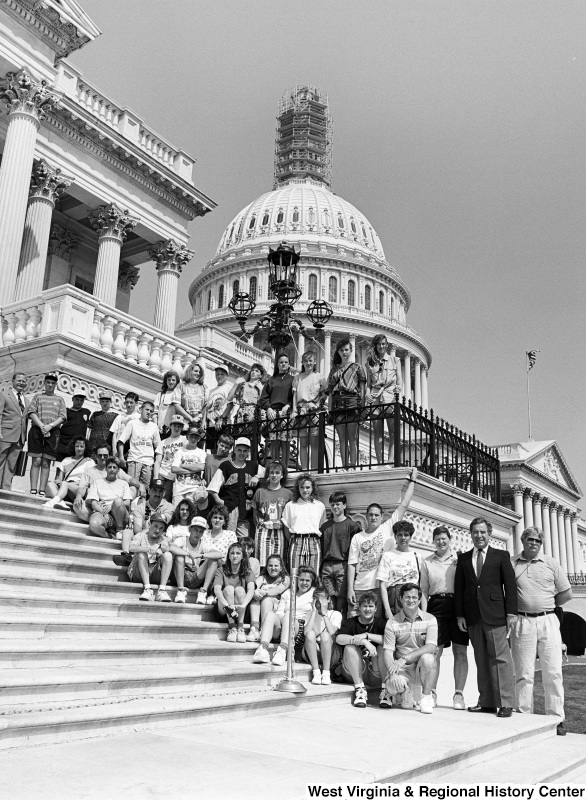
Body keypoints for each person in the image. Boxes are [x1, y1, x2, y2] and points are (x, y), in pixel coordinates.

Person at [510, 526, 573, 736]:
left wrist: (547, 603)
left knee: (553, 671)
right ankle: (523, 717)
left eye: (537, 540)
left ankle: (556, 718)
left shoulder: (551, 563)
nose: (533, 543)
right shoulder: (512, 563)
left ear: (541, 543)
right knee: (523, 673)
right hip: (522, 621)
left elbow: (566, 592)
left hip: (548, 620)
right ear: (523, 541)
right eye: (530, 540)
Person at [454, 517, 517, 718]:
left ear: (489, 534)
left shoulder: (501, 555)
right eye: (475, 532)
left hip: (495, 615)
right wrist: (460, 615)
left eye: (482, 532)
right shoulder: (463, 559)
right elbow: (459, 588)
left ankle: (505, 703)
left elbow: (510, 586)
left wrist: (511, 613)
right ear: (470, 534)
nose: (479, 536)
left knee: (500, 659)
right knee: (480, 659)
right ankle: (487, 702)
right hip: (472, 617)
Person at [346, 467, 418, 617]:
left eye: (376, 515)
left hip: (379, 588)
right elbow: (352, 564)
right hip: (359, 587)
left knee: (377, 627)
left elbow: (404, 505)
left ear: (381, 516)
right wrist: (350, 589)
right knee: (354, 623)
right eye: (371, 515)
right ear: (366, 516)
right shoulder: (357, 537)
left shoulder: (387, 528)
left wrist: (412, 480)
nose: (373, 518)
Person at [419, 525, 469, 710]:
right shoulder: (427, 562)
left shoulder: (459, 560)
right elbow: (423, 590)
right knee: (434, 652)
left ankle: (459, 695)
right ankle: (431, 692)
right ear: (433, 541)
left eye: (444, 539)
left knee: (460, 651)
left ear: (450, 540)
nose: (441, 542)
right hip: (436, 606)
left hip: (457, 606)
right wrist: (424, 615)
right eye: (437, 539)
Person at [383, 583, 438, 714]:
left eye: (414, 597)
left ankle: (425, 697)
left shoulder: (430, 619)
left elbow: (431, 647)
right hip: (402, 670)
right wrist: (393, 674)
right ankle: (406, 691)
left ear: (419, 600)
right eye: (407, 597)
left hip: (420, 668)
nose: (411, 600)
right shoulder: (392, 622)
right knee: (391, 687)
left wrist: (405, 658)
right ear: (400, 599)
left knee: (429, 658)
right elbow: (388, 652)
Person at [335, 591, 387, 708]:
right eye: (364, 606)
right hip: (355, 672)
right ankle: (360, 690)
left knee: (383, 648)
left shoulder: (380, 623)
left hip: (376, 672)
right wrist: (363, 642)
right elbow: (339, 638)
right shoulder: (351, 622)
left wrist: (367, 635)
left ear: (376, 608)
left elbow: (389, 640)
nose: (367, 609)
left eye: (370, 606)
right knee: (350, 647)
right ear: (359, 607)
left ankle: (385, 691)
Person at [72, 445, 141, 523]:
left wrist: (141, 486)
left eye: (105, 455)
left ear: (109, 456)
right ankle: (101, 519)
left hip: (114, 504)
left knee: (133, 489)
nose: (102, 457)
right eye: (100, 455)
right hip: (97, 504)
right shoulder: (89, 471)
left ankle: (110, 517)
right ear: (95, 457)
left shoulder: (114, 469)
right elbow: (82, 487)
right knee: (77, 506)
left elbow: (129, 479)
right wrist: (78, 496)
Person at [207, 436, 260, 537]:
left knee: (244, 539)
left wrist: (257, 476)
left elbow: (268, 472)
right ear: (234, 449)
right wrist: (219, 501)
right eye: (239, 450)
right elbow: (213, 487)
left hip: (246, 510)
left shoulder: (253, 466)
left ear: (248, 451)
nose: (242, 453)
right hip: (230, 509)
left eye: (245, 450)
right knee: (228, 536)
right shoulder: (226, 466)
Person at [115, 477, 175, 564]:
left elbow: (163, 521)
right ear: (149, 491)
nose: (157, 493)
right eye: (154, 490)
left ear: (164, 493)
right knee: (127, 532)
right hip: (143, 535)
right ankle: (126, 556)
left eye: (160, 491)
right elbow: (137, 527)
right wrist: (146, 533)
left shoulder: (169, 507)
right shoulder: (140, 507)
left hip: (159, 536)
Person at [320, 491, 361, 614]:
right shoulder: (325, 526)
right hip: (327, 565)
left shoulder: (352, 526)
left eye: (338, 504)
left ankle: (340, 629)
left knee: (342, 601)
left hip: (343, 565)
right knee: (329, 601)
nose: (335, 507)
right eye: (332, 505)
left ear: (344, 505)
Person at [327, 338, 366, 469]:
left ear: (351, 351)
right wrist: (329, 409)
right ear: (338, 352)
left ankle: (353, 465)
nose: (344, 352)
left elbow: (362, 389)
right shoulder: (334, 370)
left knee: (352, 438)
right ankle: (344, 465)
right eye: (341, 350)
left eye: (346, 350)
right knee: (342, 438)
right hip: (338, 403)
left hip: (352, 403)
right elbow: (330, 390)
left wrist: (362, 408)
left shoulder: (358, 367)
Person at [269, 566, 319, 667]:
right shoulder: (288, 593)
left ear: (312, 581)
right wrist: (284, 622)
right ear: (296, 580)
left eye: (307, 580)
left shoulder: (314, 593)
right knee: (271, 615)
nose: (304, 583)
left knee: (289, 614)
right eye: (301, 580)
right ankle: (263, 649)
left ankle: (282, 650)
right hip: (284, 623)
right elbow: (279, 613)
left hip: (300, 628)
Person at [27, 372, 67, 496]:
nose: (50, 385)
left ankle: (42, 489)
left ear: (55, 385)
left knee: (46, 462)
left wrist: (50, 426)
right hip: (37, 430)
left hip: (53, 431)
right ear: (44, 383)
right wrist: (42, 426)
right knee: (36, 460)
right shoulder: (38, 397)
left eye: (53, 383)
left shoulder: (59, 399)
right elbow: (31, 412)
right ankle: (33, 488)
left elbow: (63, 416)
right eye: (48, 382)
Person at [365, 334, 402, 465]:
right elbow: (369, 384)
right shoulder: (369, 362)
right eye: (379, 344)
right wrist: (367, 394)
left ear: (387, 345)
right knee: (377, 432)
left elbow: (399, 381)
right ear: (375, 345)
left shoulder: (395, 360)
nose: (382, 346)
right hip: (375, 399)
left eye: (384, 344)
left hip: (390, 397)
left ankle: (391, 461)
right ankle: (380, 463)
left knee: (393, 432)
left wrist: (398, 389)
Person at [281, 473, 327, 574]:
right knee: (295, 574)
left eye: (307, 487)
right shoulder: (291, 505)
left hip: (313, 541)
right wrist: (294, 540)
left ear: (312, 488)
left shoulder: (319, 506)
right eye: (302, 487)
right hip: (297, 541)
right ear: (298, 488)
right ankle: (294, 590)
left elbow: (322, 526)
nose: (305, 490)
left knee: (314, 574)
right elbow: (286, 527)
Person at [251, 460, 293, 566]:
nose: (274, 475)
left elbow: (289, 515)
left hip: (280, 531)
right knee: (262, 560)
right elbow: (255, 514)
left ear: (282, 475)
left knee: (279, 560)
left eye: (277, 473)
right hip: (263, 531)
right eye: (272, 472)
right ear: (268, 474)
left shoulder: (288, 494)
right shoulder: (260, 492)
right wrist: (260, 527)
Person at [377, 520, 421, 619]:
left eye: (406, 535)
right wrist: (387, 610)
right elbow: (382, 585)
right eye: (399, 535)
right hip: (395, 597)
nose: (403, 538)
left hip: (413, 597)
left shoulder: (417, 556)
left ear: (410, 537)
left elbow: (421, 583)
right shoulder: (388, 556)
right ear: (395, 537)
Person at [251, 554, 291, 662]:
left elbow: (278, 590)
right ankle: (255, 628)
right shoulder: (262, 578)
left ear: (281, 567)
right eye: (270, 565)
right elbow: (253, 586)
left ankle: (263, 630)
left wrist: (263, 591)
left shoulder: (285, 578)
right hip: (264, 613)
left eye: (276, 565)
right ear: (266, 567)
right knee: (256, 597)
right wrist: (255, 591)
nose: (273, 568)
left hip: (277, 619)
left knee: (266, 598)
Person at [214, 541, 256, 642]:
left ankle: (240, 628)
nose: (235, 556)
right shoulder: (221, 570)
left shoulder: (248, 571)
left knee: (240, 589)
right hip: (224, 609)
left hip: (240, 609)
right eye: (232, 553)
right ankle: (232, 628)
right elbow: (217, 589)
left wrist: (243, 605)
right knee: (229, 589)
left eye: (238, 553)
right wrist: (228, 607)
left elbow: (251, 589)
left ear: (243, 556)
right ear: (228, 556)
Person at [292, 349, 326, 471]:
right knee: (303, 443)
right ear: (302, 363)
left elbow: (325, 393)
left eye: (310, 361)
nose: (308, 363)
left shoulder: (319, 377)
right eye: (306, 361)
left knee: (314, 442)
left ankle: (314, 469)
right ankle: (305, 469)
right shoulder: (297, 378)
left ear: (315, 362)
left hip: (314, 411)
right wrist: (294, 410)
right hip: (301, 411)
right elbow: (294, 396)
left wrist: (317, 404)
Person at [195, 505, 237, 604]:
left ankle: (211, 593)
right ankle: (207, 593)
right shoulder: (204, 534)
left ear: (225, 521)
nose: (217, 520)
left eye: (220, 518)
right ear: (211, 519)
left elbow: (233, 554)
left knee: (217, 561)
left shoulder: (230, 535)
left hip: (224, 568)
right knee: (213, 559)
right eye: (215, 517)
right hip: (204, 567)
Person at [127, 512, 173, 602]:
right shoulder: (141, 535)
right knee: (141, 554)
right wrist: (147, 549)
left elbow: (168, 548)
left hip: (154, 573)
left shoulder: (162, 539)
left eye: (161, 528)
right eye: (155, 526)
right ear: (149, 524)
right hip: (138, 573)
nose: (157, 530)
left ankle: (162, 590)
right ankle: (147, 589)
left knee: (168, 555)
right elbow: (131, 547)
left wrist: (159, 546)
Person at [259, 353, 295, 467]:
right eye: (281, 362)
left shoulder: (293, 379)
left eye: (285, 362)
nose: (283, 364)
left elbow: (295, 396)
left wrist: (289, 405)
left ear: (289, 365)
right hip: (273, 412)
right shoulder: (271, 380)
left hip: (286, 412)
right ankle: (275, 465)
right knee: (274, 442)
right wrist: (268, 408)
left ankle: (284, 467)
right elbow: (264, 396)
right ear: (277, 365)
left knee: (285, 442)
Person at [302, 586, 342, 685]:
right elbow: (306, 632)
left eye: (322, 600)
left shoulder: (335, 614)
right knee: (310, 633)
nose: (319, 604)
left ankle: (326, 673)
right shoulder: (309, 614)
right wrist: (314, 612)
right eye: (317, 600)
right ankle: (316, 672)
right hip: (312, 650)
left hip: (330, 652)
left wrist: (324, 614)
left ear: (328, 600)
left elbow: (332, 632)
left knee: (325, 635)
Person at [117, 400, 161, 487]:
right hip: (134, 460)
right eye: (147, 410)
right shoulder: (132, 423)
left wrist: (157, 462)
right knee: (132, 487)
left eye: (151, 411)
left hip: (148, 462)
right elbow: (121, 441)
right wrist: (121, 457)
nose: (149, 412)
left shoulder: (154, 427)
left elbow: (158, 447)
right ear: (141, 410)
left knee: (145, 489)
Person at [85, 456, 133, 538]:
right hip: (102, 511)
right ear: (106, 469)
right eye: (109, 467)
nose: (112, 469)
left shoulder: (123, 484)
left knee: (118, 501)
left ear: (118, 470)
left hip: (120, 513)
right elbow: (93, 503)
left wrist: (110, 507)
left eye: (114, 467)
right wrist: (104, 512)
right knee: (94, 524)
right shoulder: (97, 482)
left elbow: (127, 502)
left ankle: (119, 530)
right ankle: (109, 536)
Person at [43, 437, 93, 509]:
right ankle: (60, 502)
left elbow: (88, 481)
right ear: (73, 447)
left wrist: (67, 483)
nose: (79, 448)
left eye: (81, 446)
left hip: (78, 489)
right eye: (77, 446)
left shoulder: (89, 461)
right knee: (50, 483)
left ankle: (53, 502)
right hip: (64, 486)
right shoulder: (66, 460)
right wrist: (59, 481)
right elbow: (60, 478)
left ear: (85, 448)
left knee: (65, 483)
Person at [168, 514, 207, 602]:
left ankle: (203, 592)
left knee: (212, 560)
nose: (198, 533)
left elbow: (218, 554)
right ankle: (181, 590)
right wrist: (188, 554)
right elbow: (171, 547)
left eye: (201, 531)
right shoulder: (182, 539)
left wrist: (201, 555)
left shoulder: (203, 543)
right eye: (195, 530)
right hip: (178, 575)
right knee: (179, 557)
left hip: (194, 576)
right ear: (190, 529)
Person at [0, 371, 29, 490]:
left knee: (11, 464)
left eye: (23, 381)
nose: (21, 383)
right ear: (13, 381)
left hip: (19, 437)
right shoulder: (4, 395)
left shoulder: (26, 400)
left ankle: (5, 489)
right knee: (0, 461)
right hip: (5, 434)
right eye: (19, 380)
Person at [170, 424, 208, 506]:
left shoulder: (201, 452)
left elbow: (201, 467)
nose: (193, 439)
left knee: (192, 515)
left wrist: (183, 465)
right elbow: (174, 469)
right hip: (179, 490)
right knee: (177, 515)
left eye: (196, 437)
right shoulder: (180, 452)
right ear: (187, 437)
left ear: (199, 438)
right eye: (191, 436)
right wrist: (193, 470)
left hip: (194, 490)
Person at [153, 415, 187, 501]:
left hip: (178, 476)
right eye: (175, 425)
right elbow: (157, 461)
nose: (176, 428)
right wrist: (156, 477)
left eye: (179, 426)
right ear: (170, 426)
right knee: (161, 500)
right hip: (163, 474)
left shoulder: (185, 440)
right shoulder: (163, 442)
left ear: (182, 428)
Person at [54, 392, 91, 462]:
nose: (79, 402)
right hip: (64, 443)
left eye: (81, 400)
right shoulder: (66, 411)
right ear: (72, 399)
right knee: (61, 465)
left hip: (78, 446)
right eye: (77, 400)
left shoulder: (86, 412)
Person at [205, 363, 231, 450]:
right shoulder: (211, 391)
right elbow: (207, 408)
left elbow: (230, 404)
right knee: (211, 450)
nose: (219, 376)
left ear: (227, 376)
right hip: (211, 424)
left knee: (223, 448)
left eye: (222, 374)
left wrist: (222, 419)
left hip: (222, 424)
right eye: (217, 374)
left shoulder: (228, 388)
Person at [87, 390, 118, 454]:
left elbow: (116, 433)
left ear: (111, 402)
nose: (105, 403)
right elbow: (89, 430)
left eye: (107, 401)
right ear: (100, 402)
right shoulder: (95, 414)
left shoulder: (115, 416)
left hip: (106, 448)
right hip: (92, 447)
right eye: (102, 401)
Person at [154, 370, 183, 438]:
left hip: (173, 429)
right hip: (160, 429)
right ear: (165, 381)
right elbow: (155, 412)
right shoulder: (160, 395)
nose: (171, 382)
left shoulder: (179, 395)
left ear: (177, 382)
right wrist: (156, 426)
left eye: (173, 380)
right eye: (169, 380)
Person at [181, 362, 207, 427]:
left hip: (199, 422)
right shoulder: (181, 386)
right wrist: (190, 418)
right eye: (196, 371)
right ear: (190, 371)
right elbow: (176, 405)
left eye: (199, 372)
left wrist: (199, 417)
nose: (198, 373)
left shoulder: (204, 387)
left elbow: (207, 405)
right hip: (184, 422)